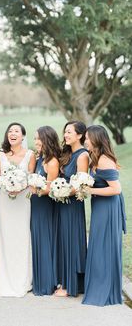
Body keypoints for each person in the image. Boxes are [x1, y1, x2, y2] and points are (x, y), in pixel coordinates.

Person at [82, 125, 126, 306]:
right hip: (100, 205)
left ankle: (105, 290)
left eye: (87, 138)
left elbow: (116, 189)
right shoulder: (95, 158)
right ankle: (99, 285)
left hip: (108, 207)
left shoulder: (104, 160)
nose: (85, 141)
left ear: (96, 139)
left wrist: (89, 190)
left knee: (103, 245)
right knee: (99, 244)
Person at [0, 122, 36, 297]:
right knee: (5, 234)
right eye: (10, 131)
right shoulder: (0, 153)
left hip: (23, 199)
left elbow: (31, 176)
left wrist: (20, 186)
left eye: (16, 131)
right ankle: (4, 278)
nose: (13, 133)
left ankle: (23, 279)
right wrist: (6, 186)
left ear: (23, 136)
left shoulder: (30, 154)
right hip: (4, 199)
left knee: (22, 234)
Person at [55, 121, 89, 297]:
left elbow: (80, 184)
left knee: (71, 240)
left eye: (69, 132)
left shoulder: (82, 156)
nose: (66, 135)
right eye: (65, 132)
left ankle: (72, 285)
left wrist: (61, 191)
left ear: (80, 135)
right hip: (62, 202)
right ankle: (65, 280)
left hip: (73, 204)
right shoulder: (68, 153)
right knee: (63, 240)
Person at [30, 126, 61, 295]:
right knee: (37, 240)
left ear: (47, 139)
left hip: (45, 206)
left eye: (39, 139)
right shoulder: (40, 158)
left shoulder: (52, 161)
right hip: (36, 205)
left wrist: (34, 189)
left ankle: (46, 283)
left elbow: (50, 188)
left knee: (44, 241)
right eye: (35, 139)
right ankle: (39, 280)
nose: (36, 142)